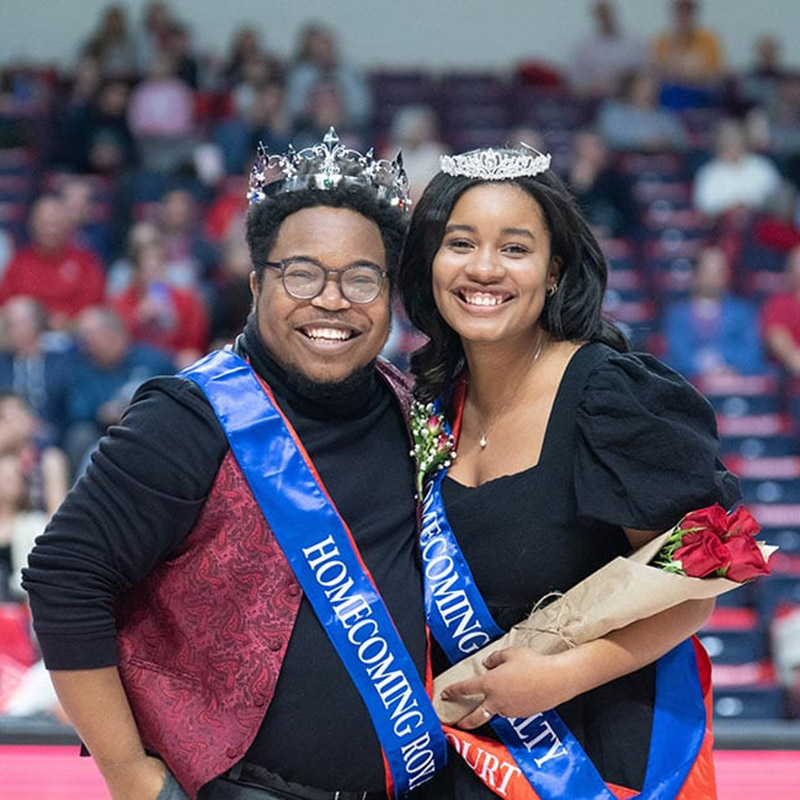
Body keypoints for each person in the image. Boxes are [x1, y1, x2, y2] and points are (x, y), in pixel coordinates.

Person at [23, 131, 449, 800]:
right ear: (256, 283)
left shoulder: (412, 410)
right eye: (302, 273)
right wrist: (131, 774)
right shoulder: (189, 416)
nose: (333, 299)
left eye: (362, 277)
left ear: (390, 292)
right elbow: (63, 577)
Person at [397, 145, 740, 798]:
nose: (484, 268)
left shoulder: (611, 396)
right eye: (460, 243)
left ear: (554, 269)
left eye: (515, 248)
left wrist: (561, 676)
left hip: (593, 755)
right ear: (429, 262)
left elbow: (706, 568)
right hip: (462, 758)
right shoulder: (428, 403)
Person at [0, 196, 106, 327]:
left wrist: (68, 318)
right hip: (28, 331)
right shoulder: (20, 261)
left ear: (68, 226)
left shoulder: (85, 260)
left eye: (56, 223)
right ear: (32, 226)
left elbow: (95, 300)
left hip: (74, 329)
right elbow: (6, 300)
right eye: (45, 224)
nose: (51, 230)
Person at [663, 245, 765, 379]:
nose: (715, 278)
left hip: (735, 381)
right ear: (695, 274)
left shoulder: (743, 312)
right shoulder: (677, 314)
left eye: (720, 271)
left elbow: (752, 353)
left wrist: (722, 362)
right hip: (690, 385)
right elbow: (678, 354)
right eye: (708, 271)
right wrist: (705, 367)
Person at [693, 118, 782, 217]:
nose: (733, 143)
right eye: (728, 139)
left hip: (762, 221)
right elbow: (704, 206)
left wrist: (750, 205)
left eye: (736, 138)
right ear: (719, 143)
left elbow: (777, 196)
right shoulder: (708, 173)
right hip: (724, 226)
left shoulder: (762, 166)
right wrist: (732, 207)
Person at [570, 0, 649, 98]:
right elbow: (575, 82)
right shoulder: (584, 47)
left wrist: (624, 79)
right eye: (601, 14)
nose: (606, 17)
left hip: (629, 98)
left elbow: (646, 73)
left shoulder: (634, 42)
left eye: (608, 13)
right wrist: (593, 86)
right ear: (595, 16)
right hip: (596, 100)